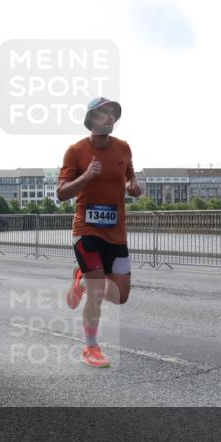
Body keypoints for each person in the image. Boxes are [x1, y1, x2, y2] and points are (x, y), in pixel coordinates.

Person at [57, 97, 142, 368]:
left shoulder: (124, 148)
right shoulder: (76, 151)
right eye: (103, 113)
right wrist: (87, 177)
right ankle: (90, 348)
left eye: (113, 114)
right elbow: (61, 193)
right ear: (91, 119)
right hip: (87, 229)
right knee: (97, 292)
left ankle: (80, 281)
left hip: (117, 232)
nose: (109, 118)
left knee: (120, 295)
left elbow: (130, 175)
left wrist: (133, 185)